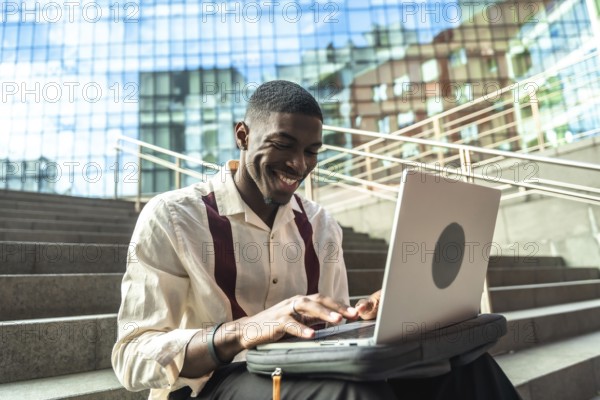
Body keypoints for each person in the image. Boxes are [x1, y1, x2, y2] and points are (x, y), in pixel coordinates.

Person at [112, 80, 520, 400]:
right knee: (350, 393)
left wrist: (367, 315)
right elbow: (130, 358)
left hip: (304, 368)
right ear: (242, 135)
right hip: (210, 386)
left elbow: (331, 325)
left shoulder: (321, 223)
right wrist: (244, 331)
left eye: (311, 151)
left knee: (466, 368)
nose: (298, 164)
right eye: (283, 145)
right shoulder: (172, 216)